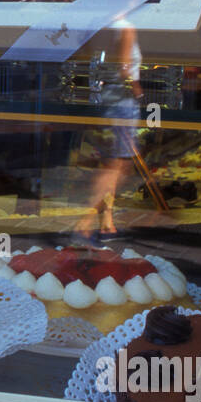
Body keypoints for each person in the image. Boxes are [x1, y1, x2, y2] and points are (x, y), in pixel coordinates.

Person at [74, 17, 142, 240]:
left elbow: (85, 55)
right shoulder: (126, 26)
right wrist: (138, 90)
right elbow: (124, 66)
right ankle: (86, 219)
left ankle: (106, 222)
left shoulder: (97, 25)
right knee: (117, 166)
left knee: (112, 165)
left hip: (104, 98)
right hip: (122, 101)